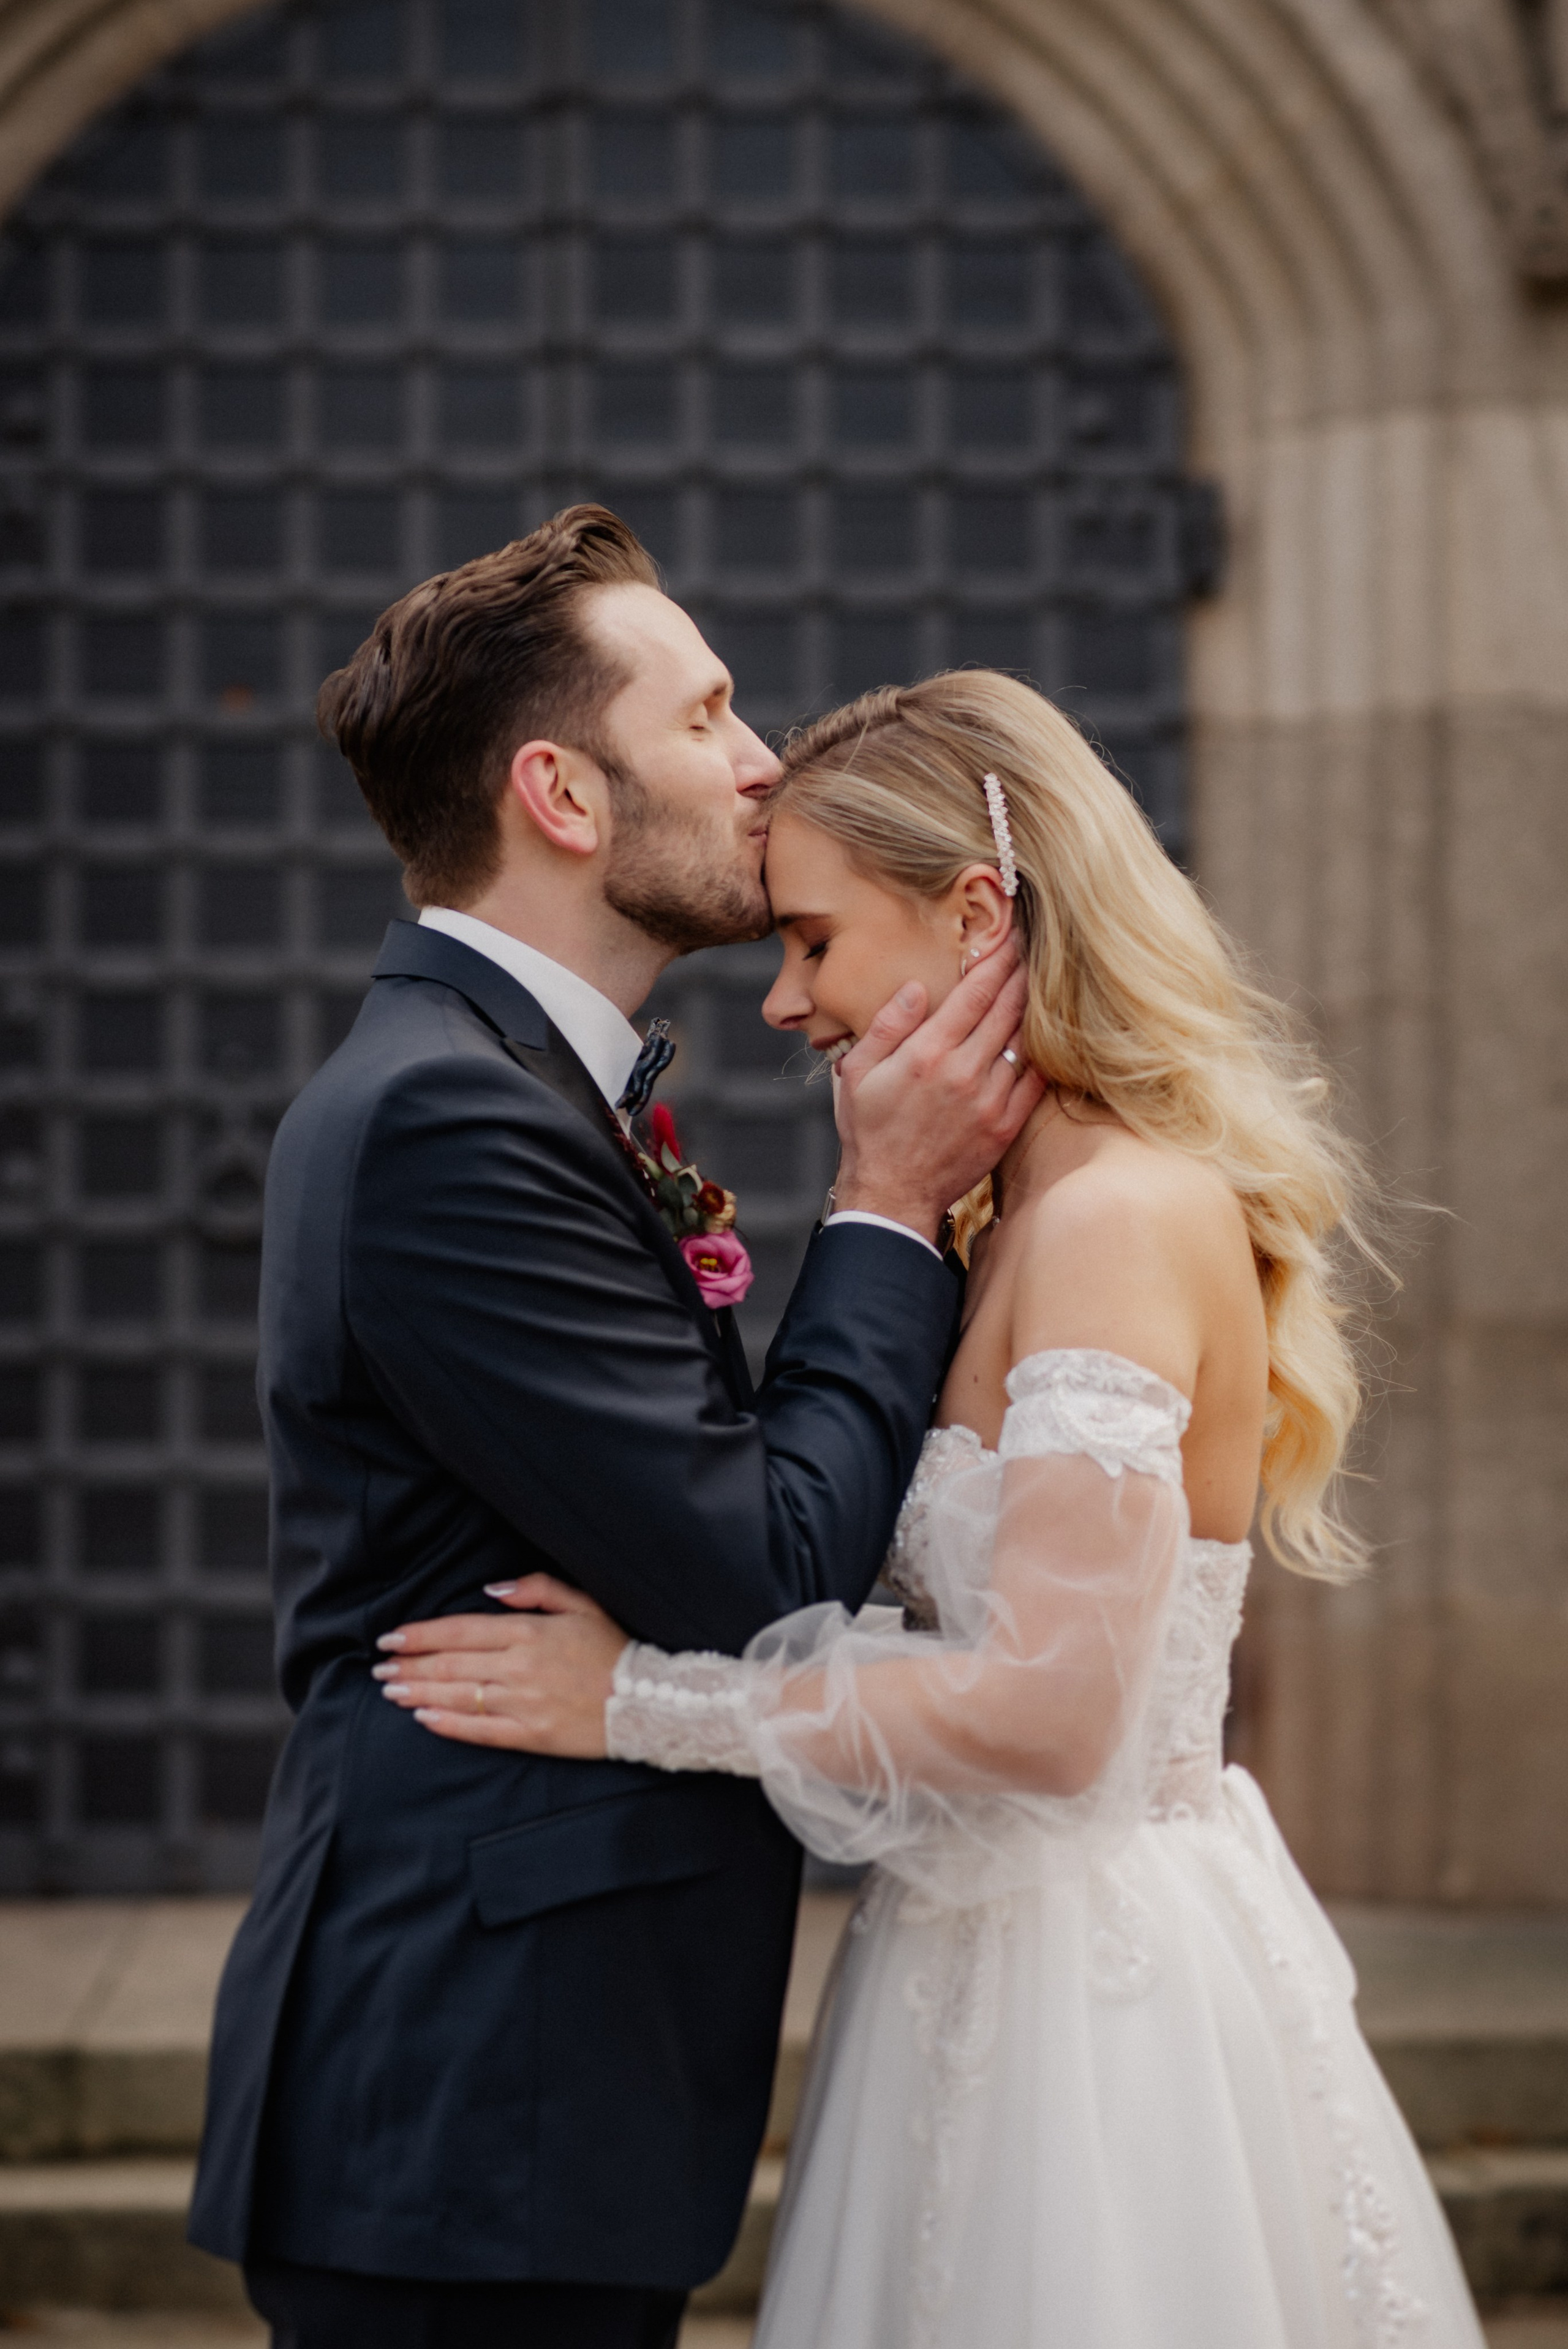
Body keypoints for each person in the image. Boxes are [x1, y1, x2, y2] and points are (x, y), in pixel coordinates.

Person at [383, 669, 1487, 2348]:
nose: (781, 1001)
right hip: (964, 1961)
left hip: (1094, 2014)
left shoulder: (1118, 1216)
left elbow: (1054, 1713)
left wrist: (636, 1702)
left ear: (979, 915)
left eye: (815, 941)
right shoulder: (1003, 1227)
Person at [186, 510, 1044, 2349]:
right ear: (563, 794)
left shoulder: (497, 1089)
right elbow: (763, 1563)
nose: (766, 762)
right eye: (713, 714)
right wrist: (888, 1205)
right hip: (471, 2102)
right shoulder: (447, 1120)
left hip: (522, 2083)